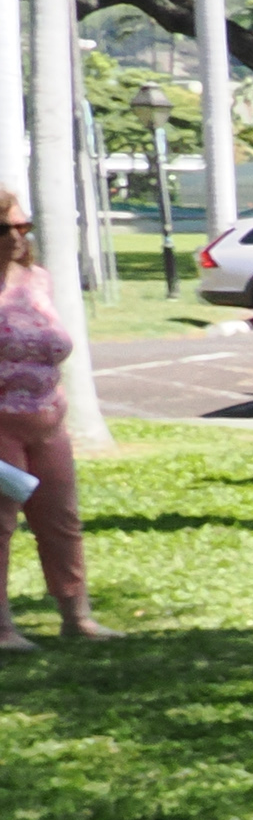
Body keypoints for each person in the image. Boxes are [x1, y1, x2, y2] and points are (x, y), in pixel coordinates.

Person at [0, 189, 112, 648]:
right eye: (6, 228)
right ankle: (2, 628)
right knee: (1, 526)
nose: (17, 236)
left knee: (61, 520)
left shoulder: (36, 280)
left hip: (47, 422)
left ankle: (76, 614)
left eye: (24, 226)